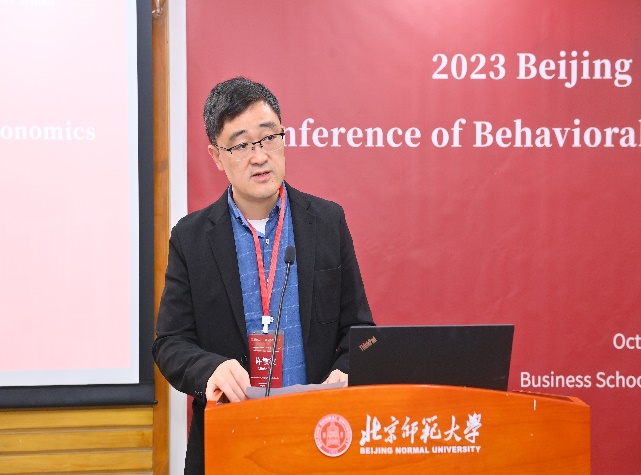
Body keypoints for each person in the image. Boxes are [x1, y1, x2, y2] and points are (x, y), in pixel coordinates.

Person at [152, 77, 374, 473]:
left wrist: (346, 370)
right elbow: (170, 343)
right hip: (232, 441)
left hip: (319, 437)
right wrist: (210, 370)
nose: (259, 156)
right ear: (216, 156)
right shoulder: (191, 238)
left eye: (269, 138)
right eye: (241, 145)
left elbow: (361, 333)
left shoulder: (327, 222)